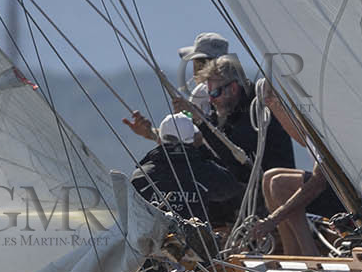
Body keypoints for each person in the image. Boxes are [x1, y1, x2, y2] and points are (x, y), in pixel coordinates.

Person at [124, 52, 294, 181]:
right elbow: (206, 149)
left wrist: (199, 120)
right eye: (209, 92)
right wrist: (155, 133)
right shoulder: (224, 110)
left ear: (234, 89)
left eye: (215, 92)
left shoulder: (256, 112)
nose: (211, 99)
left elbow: (234, 158)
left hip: (262, 193)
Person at [250, 84, 346, 256]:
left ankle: (310, 255)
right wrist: (273, 103)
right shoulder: (322, 121)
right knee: (269, 176)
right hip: (334, 190)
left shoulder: (334, 126)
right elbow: (305, 139)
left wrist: (273, 219)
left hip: (347, 200)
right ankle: (291, 252)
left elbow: (317, 183)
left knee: (280, 184)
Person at [129, 112, 244, 227]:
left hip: (151, 242)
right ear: (194, 140)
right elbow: (232, 188)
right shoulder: (206, 171)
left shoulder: (141, 175)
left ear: (159, 140)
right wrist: (202, 149)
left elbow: (131, 214)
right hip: (195, 241)